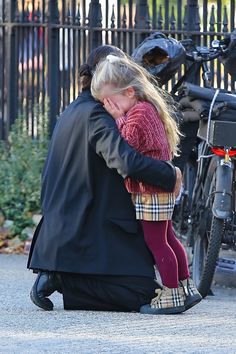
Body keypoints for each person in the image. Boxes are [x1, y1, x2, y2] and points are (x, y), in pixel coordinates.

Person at [27, 45, 182, 314]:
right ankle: (65, 278)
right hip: (84, 233)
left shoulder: (73, 110)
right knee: (145, 294)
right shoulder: (99, 114)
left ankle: (63, 275)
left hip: (68, 229)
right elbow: (125, 161)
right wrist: (170, 174)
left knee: (145, 287)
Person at [91, 54, 202, 314]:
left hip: (150, 189)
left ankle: (172, 293)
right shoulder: (145, 107)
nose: (110, 106)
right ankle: (187, 287)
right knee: (169, 237)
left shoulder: (138, 114)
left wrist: (117, 118)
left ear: (129, 92)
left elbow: (127, 146)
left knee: (156, 242)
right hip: (159, 187)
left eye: (112, 101)